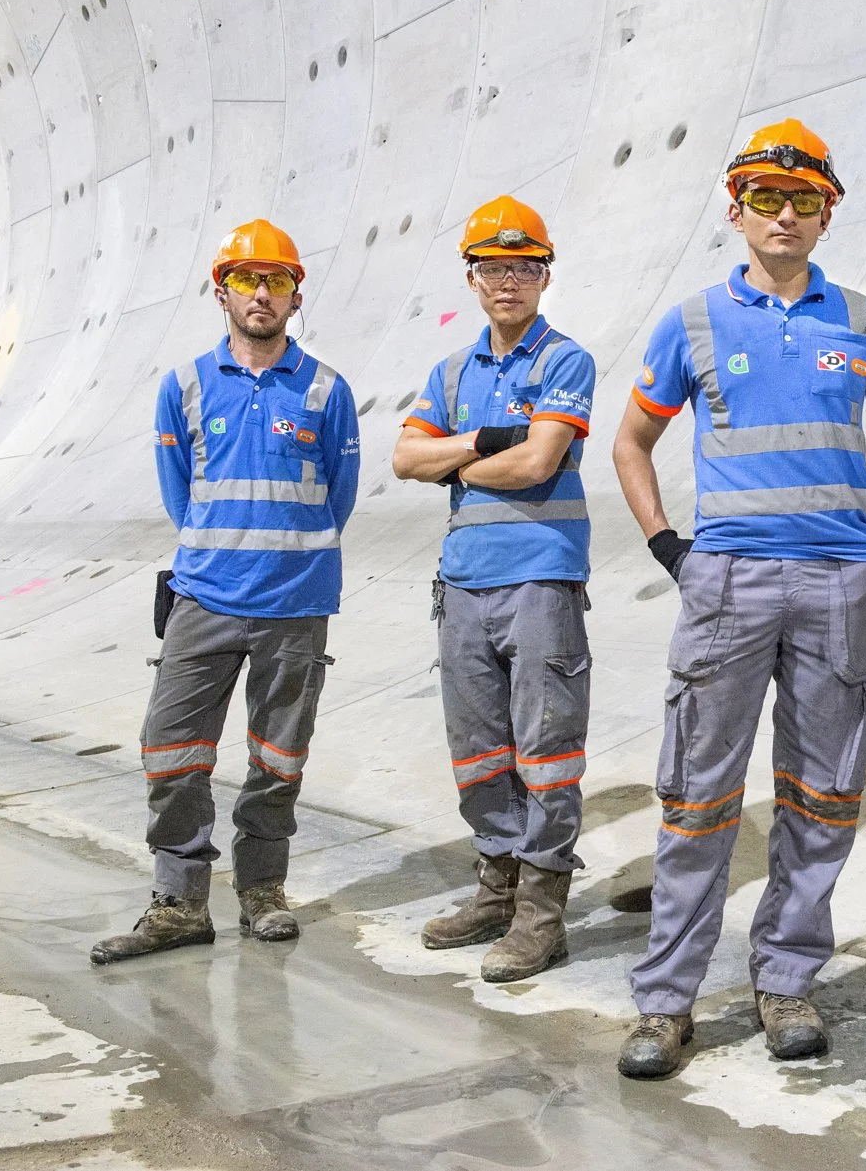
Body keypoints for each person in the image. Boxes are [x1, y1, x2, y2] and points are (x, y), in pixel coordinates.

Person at [611, 119, 866, 1078]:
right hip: (728, 585)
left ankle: (786, 980)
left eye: (802, 202)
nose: (782, 216)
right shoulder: (694, 322)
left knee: (825, 795)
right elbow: (632, 440)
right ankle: (666, 1002)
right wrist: (673, 547)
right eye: (764, 200)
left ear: (827, 213)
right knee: (698, 798)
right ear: (736, 211)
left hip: (841, 585)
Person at [92, 220, 359, 964]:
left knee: (278, 758)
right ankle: (179, 901)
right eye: (248, 279)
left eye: (276, 280)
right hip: (204, 598)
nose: (263, 293)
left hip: (297, 603)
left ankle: (262, 889)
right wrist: (223, 551)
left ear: (296, 293)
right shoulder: (183, 387)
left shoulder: (327, 389)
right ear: (223, 291)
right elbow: (182, 500)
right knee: (170, 750)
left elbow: (338, 497)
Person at [391, 197, 595, 983]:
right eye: (493, 267)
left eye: (524, 267)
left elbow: (537, 462)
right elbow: (405, 460)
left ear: (544, 275)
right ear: (471, 278)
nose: (508, 281)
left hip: (540, 581)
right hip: (464, 587)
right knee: (479, 752)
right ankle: (496, 891)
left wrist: (454, 459)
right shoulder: (452, 372)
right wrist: (479, 441)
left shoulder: (563, 361)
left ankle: (543, 916)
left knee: (545, 755)